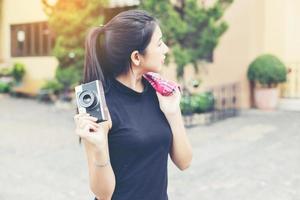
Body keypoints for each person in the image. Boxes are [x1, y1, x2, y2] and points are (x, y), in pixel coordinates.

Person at [73, 10, 193, 200]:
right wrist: (99, 148)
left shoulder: (158, 93)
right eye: (160, 43)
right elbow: (104, 194)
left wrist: (173, 112)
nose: (166, 49)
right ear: (136, 57)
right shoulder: (101, 106)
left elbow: (184, 162)